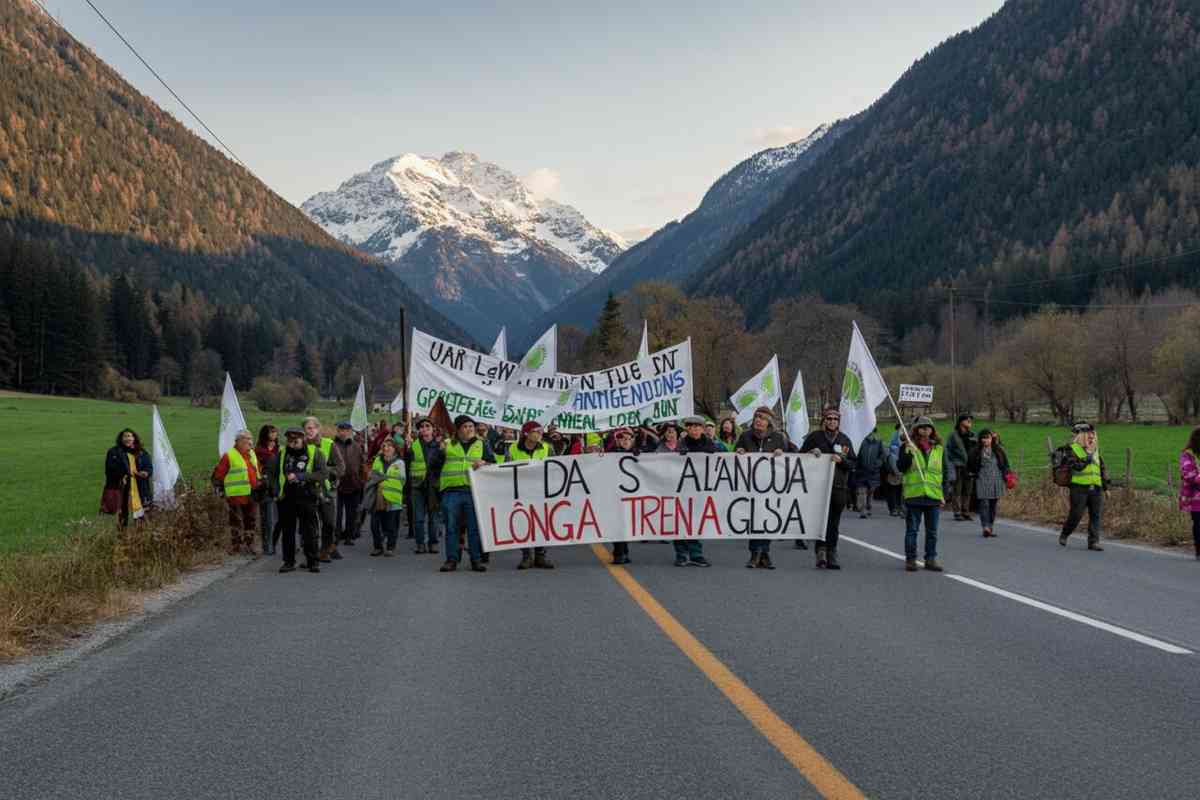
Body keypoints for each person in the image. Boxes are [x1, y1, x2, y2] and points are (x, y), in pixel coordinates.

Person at [800, 407, 856, 570]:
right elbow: (800, 457)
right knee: (820, 520)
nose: (832, 421)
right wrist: (811, 452)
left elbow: (853, 463)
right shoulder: (814, 437)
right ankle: (821, 551)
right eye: (829, 419)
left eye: (835, 419)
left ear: (838, 422)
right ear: (824, 420)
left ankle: (832, 552)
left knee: (833, 522)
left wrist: (841, 461)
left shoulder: (845, 439)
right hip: (818, 487)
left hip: (838, 487)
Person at [439, 414, 494, 573]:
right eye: (466, 426)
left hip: (474, 492)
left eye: (471, 426)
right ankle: (451, 560)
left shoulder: (482, 444)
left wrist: (484, 462)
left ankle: (476, 560)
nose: (470, 429)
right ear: (458, 429)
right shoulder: (447, 444)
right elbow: (434, 464)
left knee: (474, 527)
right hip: (451, 491)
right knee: (451, 527)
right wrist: (438, 450)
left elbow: (494, 464)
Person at [735, 406, 790, 568]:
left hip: (771, 486)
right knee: (754, 519)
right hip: (750, 486)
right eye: (756, 417)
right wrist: (739, 451)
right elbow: (734, 456)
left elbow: (794, 456)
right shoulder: (745, 436)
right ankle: (755, 553)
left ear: (769, 422)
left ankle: (764, 553)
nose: (758, 420)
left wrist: (783, 453)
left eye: (762, 418)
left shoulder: (779, 437)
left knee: (767, 519)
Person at [897, 417, 953, 572]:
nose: (925, 430)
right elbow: (901, 467)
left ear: (932, 430)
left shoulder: (939, 449)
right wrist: (908, 451)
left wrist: (945, 493)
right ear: (916, 429)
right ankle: (911, 559)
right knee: (912, 530)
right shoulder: (908, 446)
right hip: (914, 495)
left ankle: (930, 559)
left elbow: (945, 472)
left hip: (933, 496)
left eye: (928, 428)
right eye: (922, 427)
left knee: (932, 532)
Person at [276, 426, 329, 573]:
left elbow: (323, 474)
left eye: (296, 439)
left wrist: (300, 476)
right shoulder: (282, 453)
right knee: (287, 531)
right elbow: (274, 472)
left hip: (307, 496)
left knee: (309, 531)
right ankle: (288, 562)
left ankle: (313, 561)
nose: (293, 442)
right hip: (287, 497)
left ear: (304, 438)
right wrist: (274, 490)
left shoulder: (314, 452)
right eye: (290, 439)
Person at [506, 421, 556, 570]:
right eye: (536, 431)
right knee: (524, 523)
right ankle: (526, 556)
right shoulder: (513, 448)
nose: (540, 434)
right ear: (526, 433)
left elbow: (555, 468)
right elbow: (507, 469)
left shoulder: (547, 448)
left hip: (541, 491)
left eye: (541, 431)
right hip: (521, 492)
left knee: (541, 523)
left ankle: (540, 555)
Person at [1058, 422, 1108, 551]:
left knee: (1095, 515)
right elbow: (1077, 467)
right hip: (1079, 488)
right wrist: (1088, 458)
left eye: (1093, 435)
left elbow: (1101, 469)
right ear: (1081, 436)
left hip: (1096, 488)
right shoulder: (1072, 449)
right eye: (1089, 435)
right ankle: (1065, 533)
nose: (1092, 437)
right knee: (1076, 514)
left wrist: (1106, 487)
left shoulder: (1095, 450)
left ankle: (1093, 542)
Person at [674, 416, 716, 567]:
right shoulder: (681, 444)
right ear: (687, 429)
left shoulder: (709, 444)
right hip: (682, 489)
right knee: (680, 521)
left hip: (700, 489)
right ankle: (681, 553)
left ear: (703, 429)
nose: (694, 429)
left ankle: (695, 553)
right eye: (691, 426)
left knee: (696, 521)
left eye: (697, 426)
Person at [211, 429, 261, 554]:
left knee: (251, 521)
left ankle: (250, 545)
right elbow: (218, 475)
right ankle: (236, 546)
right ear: (238, 441)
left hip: (252, 494)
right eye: (246, 440)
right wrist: (220, 490)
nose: (250, 442)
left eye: (250, 439)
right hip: (235, 495)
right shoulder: (229, 455)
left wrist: (260, 485)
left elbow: (257, 472)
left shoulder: (252, 454)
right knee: (236, 521)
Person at [304, 416, 344, 563]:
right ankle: (313, 553)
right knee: (309, 524)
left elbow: (341, 468)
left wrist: (324, 470)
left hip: (326, 490)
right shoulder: (300, 445)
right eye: (307, 428)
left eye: (311, 428)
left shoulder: (329, 444)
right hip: (307, 490)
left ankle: (326, 549)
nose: (309, 431)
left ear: (318, 428)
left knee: (328, 522)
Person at [405, 417, 445, 554]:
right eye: (422, 427)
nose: (424, 429)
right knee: (419, 517)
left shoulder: (439, 445)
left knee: (433, 517)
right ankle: (420, 543)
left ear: (433, 429)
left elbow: (442, 465)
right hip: (417, 485)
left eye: (427, 426)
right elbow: (407, 465)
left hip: (433, 486)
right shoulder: (413, 445)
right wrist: (407, 449)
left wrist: (442, 452)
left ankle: (433, 543)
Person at [364, 437, 406, 556]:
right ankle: (378, 546)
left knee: (391, 525)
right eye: (384, 446)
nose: (386, 448)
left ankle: (390, 547)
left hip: (393, 498)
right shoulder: (377, 460)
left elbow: (402, 480)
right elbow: (372, 475)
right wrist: (382, 478)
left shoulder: (400, 463)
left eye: (389, 446)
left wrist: (383, 479)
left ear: (395, 449)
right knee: (374, 524)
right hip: (378, 497)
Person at [104, 428, 152, 529]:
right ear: (121, 439)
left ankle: (140, 537)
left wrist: (146, 472)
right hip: (122, 487)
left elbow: (149, 466)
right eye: (125, 436)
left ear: (134, 438)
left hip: (140, 487)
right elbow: (109, 469)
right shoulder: (114, 452)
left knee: (142, 513)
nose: (127, 438)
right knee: (123, 513)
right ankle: (123, 537)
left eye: (130, 436)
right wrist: (125, 473)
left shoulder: (141, 452)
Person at [967, 429, 1010, 538]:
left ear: (992, 439)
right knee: (984, 504)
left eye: (988, 438)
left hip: (997, 479)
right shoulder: (975, 451)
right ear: (980, 439)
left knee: (993, 505)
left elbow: (1005, 464)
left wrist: (1007, 476)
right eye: (983, 438)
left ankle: (990, 526)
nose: (985, 440)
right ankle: (985, 526)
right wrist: (972, 473)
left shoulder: (999, 450)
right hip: (982, 479)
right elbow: (969, 465)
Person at [608, 427, 641, 564]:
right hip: (615, 494)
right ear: (617, 440)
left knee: (627, 524)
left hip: (632, 495)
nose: (626, 441)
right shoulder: (611, 454)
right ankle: (619, 553)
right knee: (617, 524)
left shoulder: (639, 454)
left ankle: (623, 551)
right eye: (622, 439)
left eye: (629, 439)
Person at [332, 421, 367, 546]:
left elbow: (363, 463)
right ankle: (336, 535)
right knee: (337, 513)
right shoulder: (332, 444)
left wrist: (362, 480)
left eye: (346, 430)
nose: (344, 432)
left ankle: (349, 535)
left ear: (350, 431)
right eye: (341, 430)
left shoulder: (357, 446)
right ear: (338, 431)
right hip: (337, 484)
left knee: (352, 512)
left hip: (354, 483)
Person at [254, 425, 280, 555]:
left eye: (275, 432)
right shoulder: (258, 451)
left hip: (278, 486)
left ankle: (273, 543)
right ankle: (267, 546)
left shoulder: (279, 449)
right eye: (271, 432)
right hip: (265, 488)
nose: (274, 434)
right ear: (265, 434)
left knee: (278, 520)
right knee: (268, 519)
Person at [947, 413, 977, 521]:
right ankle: (957, 512)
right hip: (958, 465)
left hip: (969, 466)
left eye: (970, 420)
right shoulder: (953, 435)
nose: (970, 422)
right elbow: (948, 452)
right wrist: (952, 465)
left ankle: (966, 511)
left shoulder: (973, 435)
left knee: (968, 490)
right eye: (967, 420)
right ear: (961, 422)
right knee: (957, 490)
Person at [1179, 427, 1200, 560]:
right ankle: (1199, 550)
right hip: (1195, 497)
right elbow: (1188, 474)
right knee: (1199, 523)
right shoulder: (1188, 454)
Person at [854, 430, 884, 518]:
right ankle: (863, 510)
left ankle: (868, 506)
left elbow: (882, 455)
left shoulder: (878, 442)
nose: (871, 434)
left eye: (873, 432)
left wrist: (877, 464)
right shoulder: (861, 442)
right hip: (862, 471)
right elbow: (857, 454)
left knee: (870, 490)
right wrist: (856, 465)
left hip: (873, 472)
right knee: (862, 491)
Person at [883, 423, 905, 517]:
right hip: (893, 471)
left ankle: (899, 507)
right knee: (892, 490)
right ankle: (893, 508)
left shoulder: (902, 440)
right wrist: (896, 471)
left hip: (901, 470)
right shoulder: (894, 440)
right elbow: (892, 455)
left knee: (900, 491)